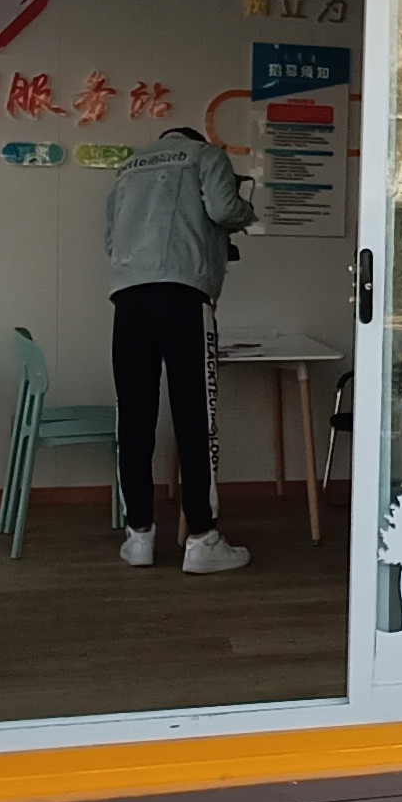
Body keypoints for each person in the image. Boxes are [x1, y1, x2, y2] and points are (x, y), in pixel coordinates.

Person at [104, 124, 257, 571]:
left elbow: (112, 240)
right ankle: (203, 539)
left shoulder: (128, 167)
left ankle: (138, 536)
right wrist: (247, 212)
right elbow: (224, 209)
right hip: (184, 296)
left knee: (134, 416)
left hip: (128, 298)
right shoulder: (206, 156)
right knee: (195, 418)